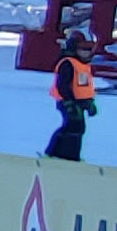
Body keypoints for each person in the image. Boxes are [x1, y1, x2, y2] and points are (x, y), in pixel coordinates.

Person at [43, 27, 98, 161]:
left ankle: (68, 155)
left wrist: (89, 103)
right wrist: (69, 102)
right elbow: (63, 84)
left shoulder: (83, 65)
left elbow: (83, 85)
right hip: (68, 101)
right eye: (83, 49)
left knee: (78, 128)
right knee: (73, 126)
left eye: (90, 49)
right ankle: (58, 153)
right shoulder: (68, 63)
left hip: (80, 102)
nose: (87, 52)